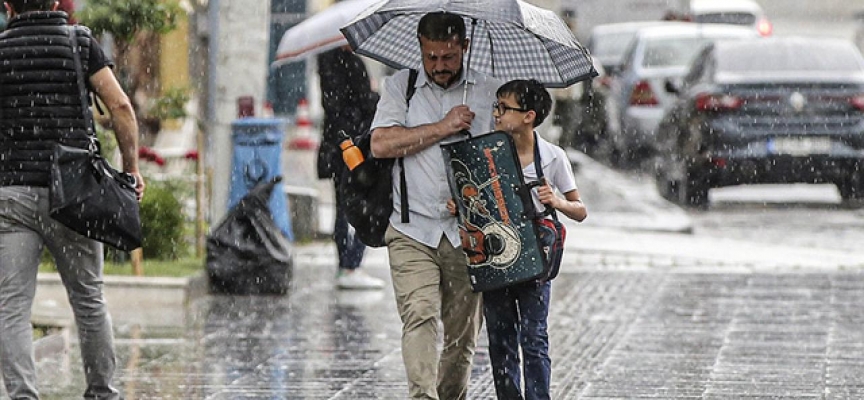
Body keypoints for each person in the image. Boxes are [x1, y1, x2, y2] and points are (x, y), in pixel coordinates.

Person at [0, 1, 145, 399]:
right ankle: (101, 391)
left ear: (8, 5)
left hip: (12, 191)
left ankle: (23, 395)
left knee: (12, 306)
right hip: (75, 191)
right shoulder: (79, 42)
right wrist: (130, 168)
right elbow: (120, 107)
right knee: (88, 298)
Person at [368, 11, 503, 400]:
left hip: (469, 235)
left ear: (464, 46)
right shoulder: (401, 87)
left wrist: (474, 197)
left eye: (448, 57)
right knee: (420, 315)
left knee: (462, 337)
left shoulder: (490, 91)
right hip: (412, 230)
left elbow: (506, 158)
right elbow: (381, 144)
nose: (439, 67)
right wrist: (443, 127)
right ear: (421, 49)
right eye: (431, 57)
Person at [483, 79, 587, 400]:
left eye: (505, 108)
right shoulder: (488, 153)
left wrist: (556, 202)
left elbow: (580, 210)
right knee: (500, 338)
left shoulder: (552, 158)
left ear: (529, 115)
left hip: (536, 258)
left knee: (533, 337)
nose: (497, 114)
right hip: (496, 256)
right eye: (496, 106)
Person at [316, 46, 385, 290]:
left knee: (342, 207)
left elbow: (334, 105)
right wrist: (374, 92)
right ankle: (352, 265)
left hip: (336, 144)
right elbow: (365, 103)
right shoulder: (349, 62)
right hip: (353, 145)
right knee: (366, 205)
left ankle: (344, 264)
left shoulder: (325, 61)